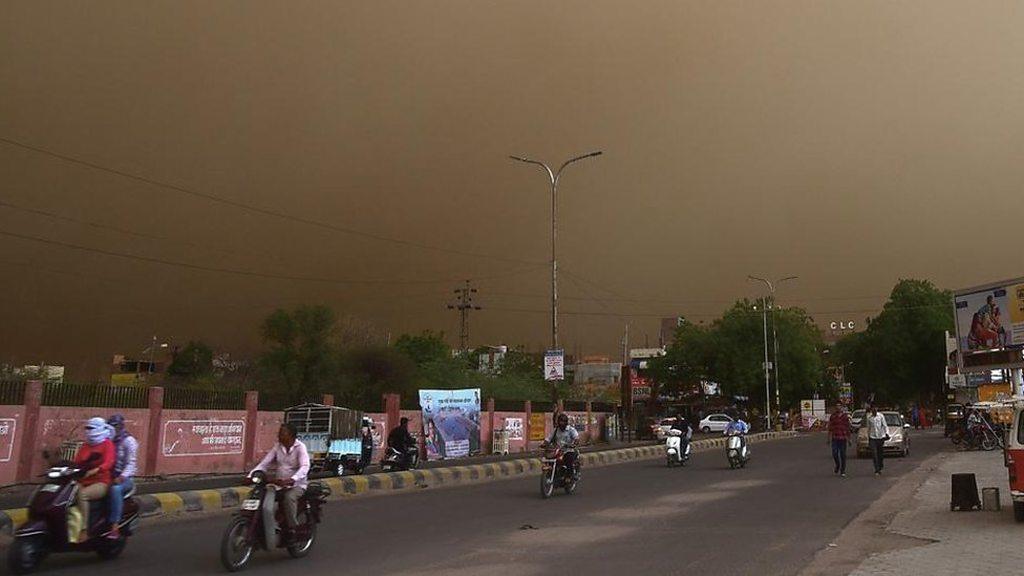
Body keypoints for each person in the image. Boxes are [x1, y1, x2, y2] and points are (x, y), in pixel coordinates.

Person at [251, 423, 310, 541]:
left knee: (289, 498)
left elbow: (305, 466)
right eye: (279, 433)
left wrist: (292, 479)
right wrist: (250, 475)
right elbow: (264, 463)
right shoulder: (277, 447)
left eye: (283, 433)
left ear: (292, 436)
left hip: (297, 485)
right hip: (279, 485)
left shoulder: (300, 447)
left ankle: (293, 528)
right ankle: (271, 526)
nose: (279, 435)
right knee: (263, 499)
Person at [73, 417, 116, 543]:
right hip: (83, 481)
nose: (88, 431)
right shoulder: (85, 445)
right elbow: (77, 462)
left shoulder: (107, 444)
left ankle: (85, 530)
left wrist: (96, 470)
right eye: (87, 428)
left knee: (82, 495)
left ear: (98, 429)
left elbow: (109, 462)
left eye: (91, 428)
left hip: (101, 482)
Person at [106, 414, 138, 539]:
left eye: (115, 427)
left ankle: (114, 526)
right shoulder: (108, 440)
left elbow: (131, 463)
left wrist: (121, 477)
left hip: (125, 479)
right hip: (108, 476)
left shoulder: (129, 441)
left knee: (115, 489)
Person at [547, 413, 580, 477]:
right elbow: (548, 438)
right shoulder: (556, 430)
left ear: (566, 422)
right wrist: (544, 444)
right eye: (560, 421)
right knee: (550, 460)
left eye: (562, 421)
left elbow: (576, 438)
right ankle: (554, 475)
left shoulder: (571, 430)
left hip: (569, 450)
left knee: (568, 459)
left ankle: (569, 476)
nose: (561, 423)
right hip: (558, 451)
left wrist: (574, 444)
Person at [827, 404, 851, 477]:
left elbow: (848, 428)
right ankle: (837, 465)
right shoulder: (833, 416)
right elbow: (830, 428)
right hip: (835, 437)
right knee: (834, 453)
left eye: (839, 406)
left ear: (842, 407)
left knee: (843, 455)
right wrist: (828, 438)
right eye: (836, 406)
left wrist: (849, 439)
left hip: (843, 438)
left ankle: (843, 470)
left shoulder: (845, 417)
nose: (838, 407)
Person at [865, 405, 888, 475]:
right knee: (874, 454)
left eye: (875, 408)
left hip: (880, 438)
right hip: (872, 438)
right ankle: (877, 469)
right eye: (873, 408)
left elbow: (885, 425)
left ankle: (880, 465)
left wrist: (886, 433)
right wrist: (868, 437)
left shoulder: (881, 416)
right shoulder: (869, 418)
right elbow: (868, 428)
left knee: (880, 454)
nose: (874, 409)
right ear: (871, 409)